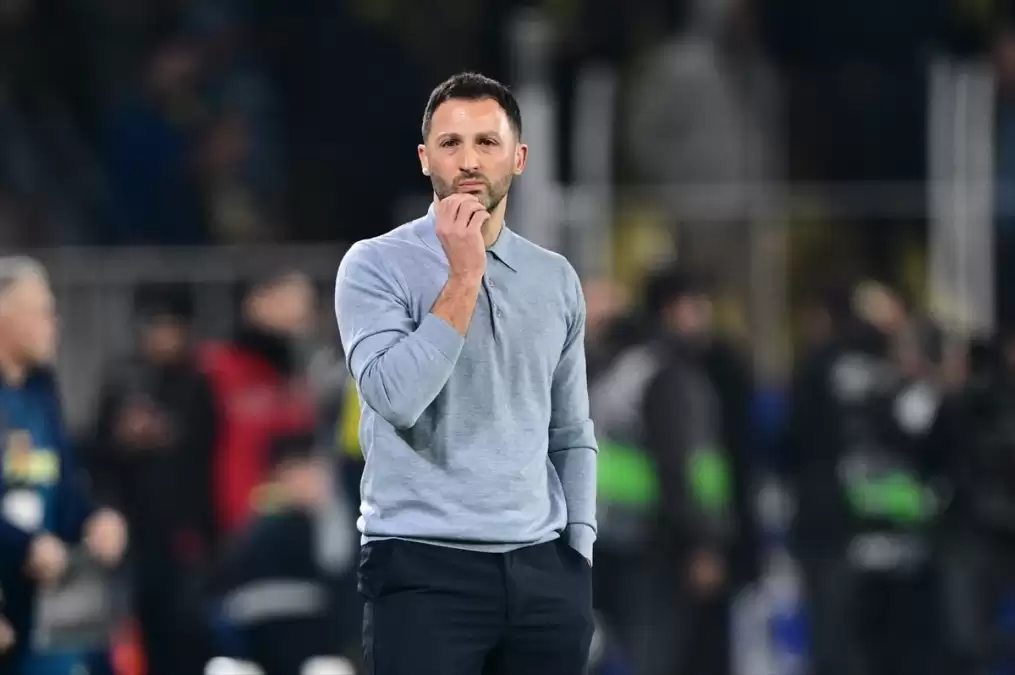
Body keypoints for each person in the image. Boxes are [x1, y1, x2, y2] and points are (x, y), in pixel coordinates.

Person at [334, 72, 597, 675]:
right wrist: (463, 275)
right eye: (451, 143)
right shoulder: (375, 265)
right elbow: (396, 397)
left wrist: (577, 553)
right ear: (425, 158)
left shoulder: (554, 277)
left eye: (487, 142)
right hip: (423, 566)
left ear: (519, 158)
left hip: (542, 573)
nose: (470, 160)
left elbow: (571, 431)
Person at [0, 257, 128, 675]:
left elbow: (62, 483)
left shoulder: (41, 392)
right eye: (42, 311)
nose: (53, 324)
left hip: (47, 601)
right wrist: (21, 544)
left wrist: (95, 518)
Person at [89, 283, 218, 675]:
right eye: (152, 326)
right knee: (130, 638)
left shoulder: (197, 383)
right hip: (132, 533)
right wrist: (123, 439)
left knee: (184, 635)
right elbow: (96, 451)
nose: (159, 336)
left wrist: (162, 433)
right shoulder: (122, 380)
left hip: (183, 536)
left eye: (168, 326)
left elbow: (204, 447)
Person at [203, 430, 358, 675]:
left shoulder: (325, 520)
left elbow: (337, 567)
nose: (307, 481)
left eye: (312, 473)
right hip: (256, 637)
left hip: (311, 636)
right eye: (298, 472)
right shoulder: (264, 520)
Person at [199, 272, 318, 537]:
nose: (299, 313)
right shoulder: (216, 368)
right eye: (287, 301)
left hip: (286, 524)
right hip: (228, 525)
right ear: (257, 301)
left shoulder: (295, 375)